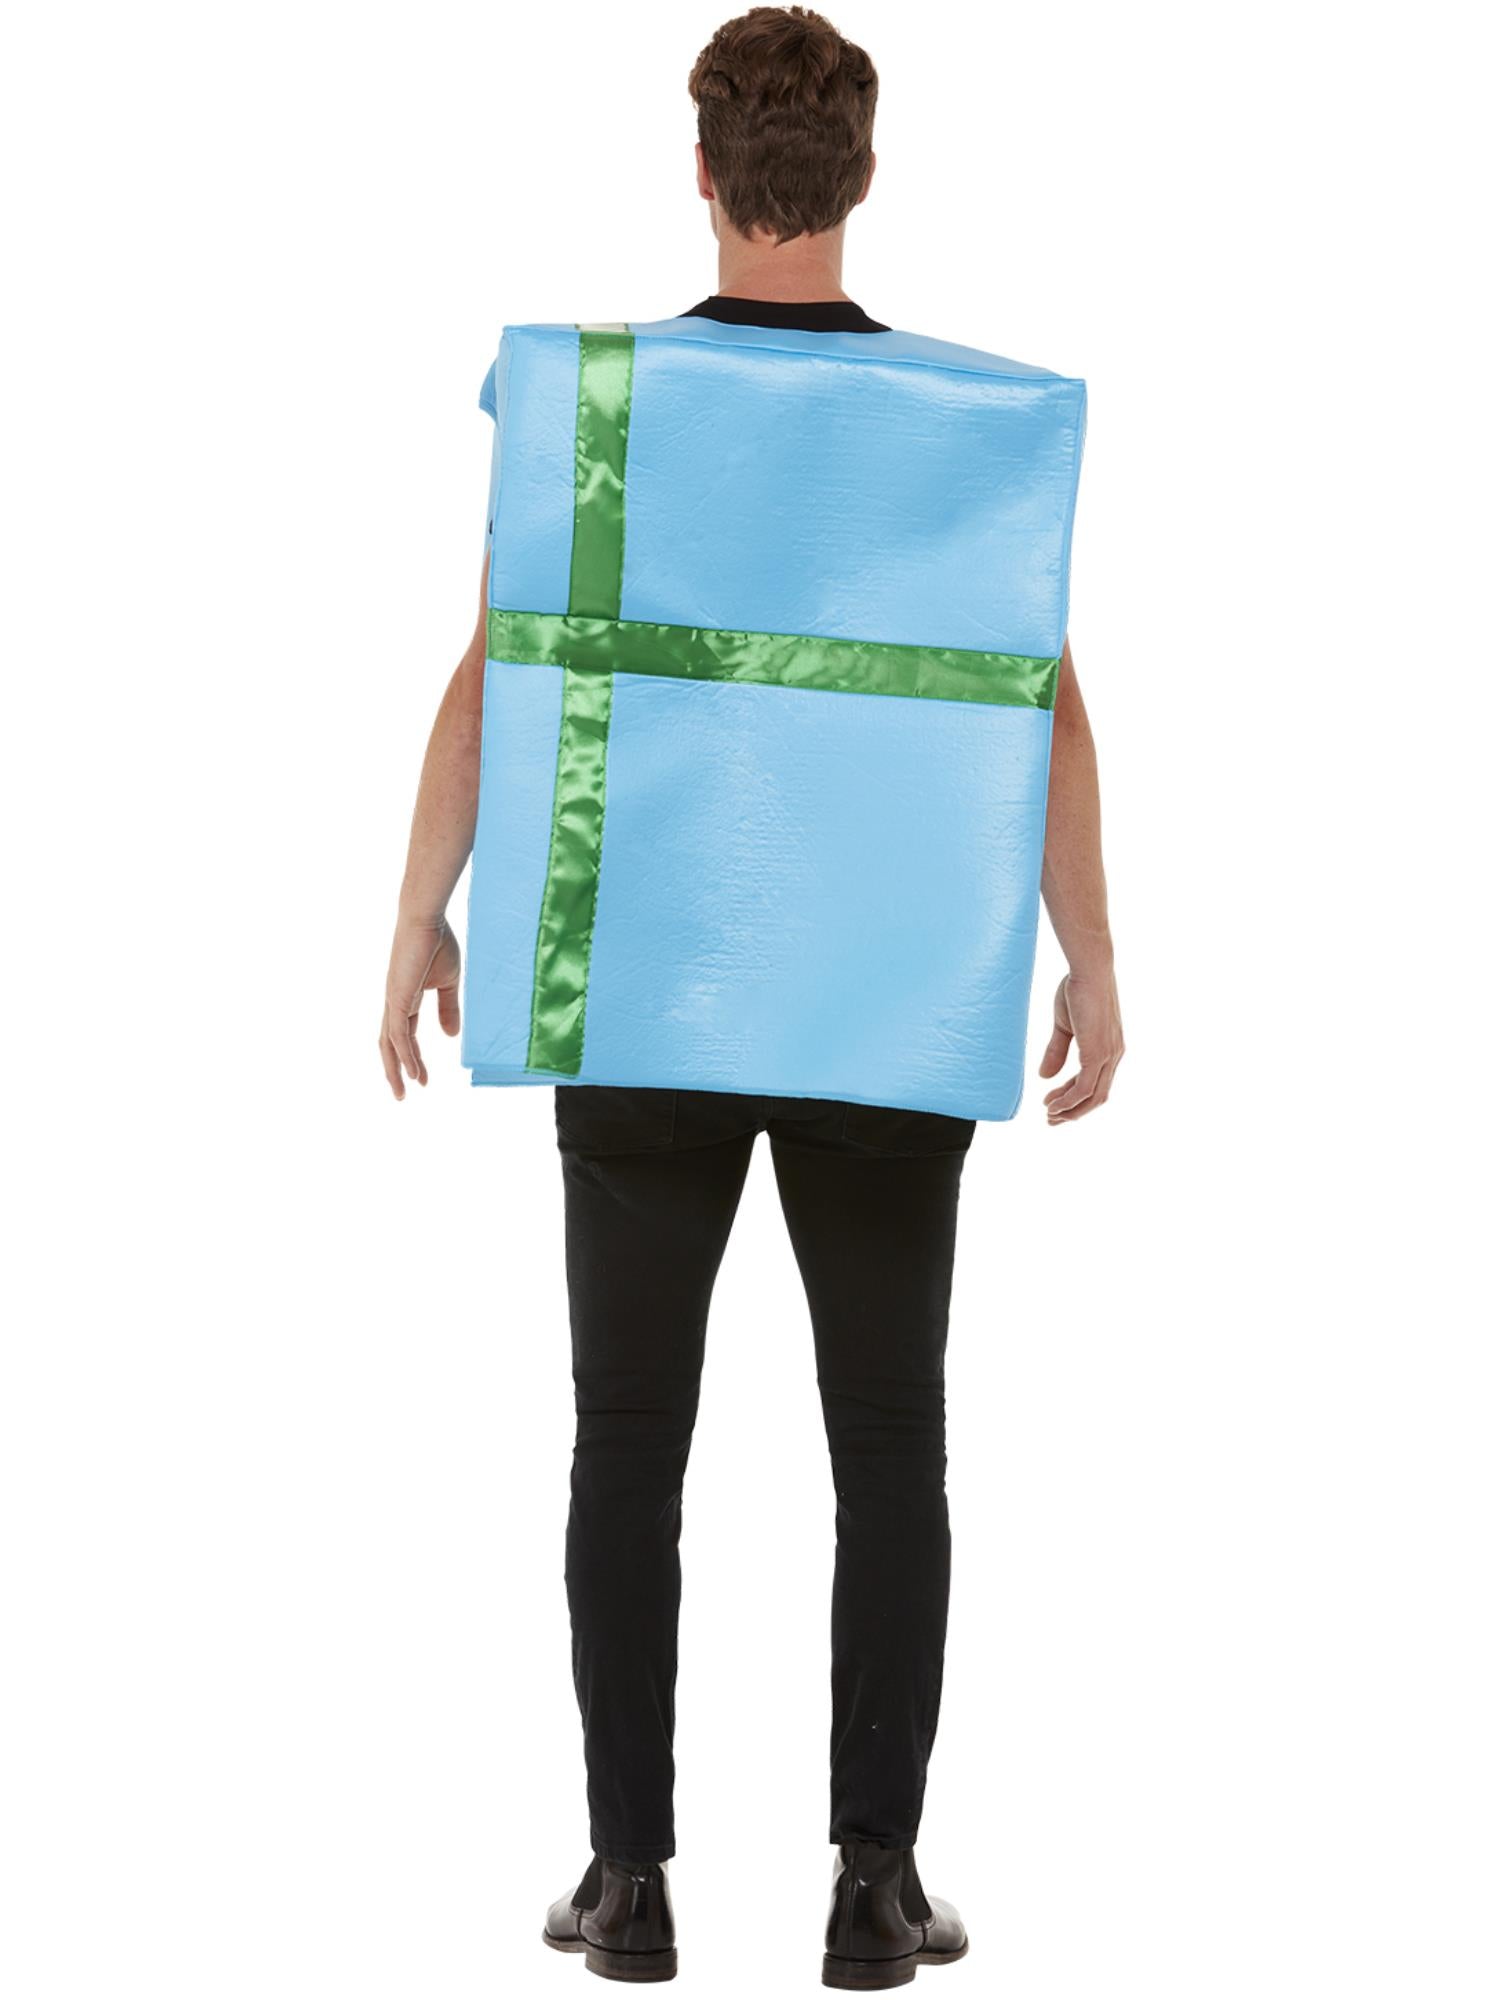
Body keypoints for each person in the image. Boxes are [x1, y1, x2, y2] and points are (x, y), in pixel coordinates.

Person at [379, 7, 1123, 1986]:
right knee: (891, 1443)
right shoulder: (961, 430)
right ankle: (875, 1886)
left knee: (627, 1439)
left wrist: (420, 917)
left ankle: (629, 1885)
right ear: (863, 178)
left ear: (700, 176)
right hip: (888, 1004)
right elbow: (1040, 708)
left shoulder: (607, 407)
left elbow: (497, 673)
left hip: (645, 993)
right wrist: (1095, 957)